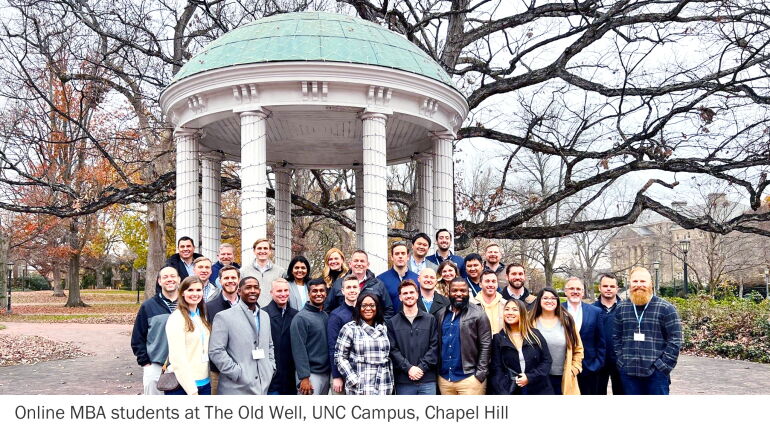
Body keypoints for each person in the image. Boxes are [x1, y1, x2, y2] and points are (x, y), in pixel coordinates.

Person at [614, 267, 682, 395]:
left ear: (651, 284)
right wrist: (621, 362)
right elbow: (616, 338)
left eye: (643, 281)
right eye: (635, 281)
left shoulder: (666, 308)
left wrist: (662, 366)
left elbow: (675, 340)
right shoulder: (621, 308)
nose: (638, 285)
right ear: (629, 284)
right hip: (629, 373)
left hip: (656, 375)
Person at [208, 274, 275, 395]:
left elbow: (269, 345)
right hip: (235, 388)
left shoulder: (265, 316)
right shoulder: (224, 317)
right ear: (239, 291)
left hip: (262, 386)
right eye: (248, 287)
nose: (253, 290)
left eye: (256, 287)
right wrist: (236, 372)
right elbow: (216, 351)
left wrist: (270, 367)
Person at [435, 278, 492, 395]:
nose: (459, 294)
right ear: (448, 292)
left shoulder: (478, 313)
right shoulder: (441, 314)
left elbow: (486, 344)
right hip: (445, 379)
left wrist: (480, 374)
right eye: (454, 290)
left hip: (470, 379)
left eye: (463, 290)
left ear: (468, 292)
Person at [131, 266, 180, 395]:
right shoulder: (149, 306)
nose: (170, 279)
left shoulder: (188, 304)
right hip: (155, 365)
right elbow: (138, 337)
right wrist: (146, 363)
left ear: (179, 279)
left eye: (173, 276)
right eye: (165, 277)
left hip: (183, 365)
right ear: (159, 281)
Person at [334, 291, 394, 395]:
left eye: (372, 305)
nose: (368, 308)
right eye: (364, 305)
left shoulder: (383, 327)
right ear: (358, 307)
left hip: (383, 382)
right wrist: (353, 379)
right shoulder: (349, 328)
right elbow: (339, 357)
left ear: (377, 307)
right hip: (360, 384)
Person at [489, 299, 553, 395]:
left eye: (515, 309)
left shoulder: (535, 335)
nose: (510, 313)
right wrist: (503, 391)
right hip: (512, 390)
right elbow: (496, 369)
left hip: (538, 388)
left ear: (522, 313)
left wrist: (529, 377)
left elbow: (547, 361)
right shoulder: (498, 338)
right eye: (507, 309)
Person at [386, 280, 439, 395]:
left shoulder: (430, 319)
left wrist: (421, 368)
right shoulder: (392, 323)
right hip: (404, 381)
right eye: (405, 293)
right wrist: (409, 368)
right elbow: (393, 350)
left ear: (417, 295)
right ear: (400, 297)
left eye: (411, 292)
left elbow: (434, 347)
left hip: (427, 380)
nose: (409, 295)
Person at [164, 276, 212, 395]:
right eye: (190, 290)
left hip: (205, 382)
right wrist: (192, 390)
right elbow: (177, 358)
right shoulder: (177, 318)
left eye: (198, 290)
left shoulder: (201, 317)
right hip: (184, 386)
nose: (195, 293)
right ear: (182, 293)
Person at [531, 287, 584, 395]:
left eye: (553, 298)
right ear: (539, 301)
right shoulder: (530, 321)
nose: (549, 301)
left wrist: (574, 369)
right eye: (545, 298)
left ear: (557, 301)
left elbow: (578, 348)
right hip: (537, 377)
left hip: (563, 378)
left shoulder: (567, 321)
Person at [562, 277, 605, 395]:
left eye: (578, 289)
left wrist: (597, 365)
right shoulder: (558, 310)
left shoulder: (595, 312)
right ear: (565, 291)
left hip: (589, 368)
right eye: (571, 288)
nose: (575, 291)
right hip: (564, 368)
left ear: (583, 292)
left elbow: (601, 341)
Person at [290, 278, 331, 395]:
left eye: (322, 290)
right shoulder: (300, 318)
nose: (318, 294)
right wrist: (304, 377)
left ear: (326, 293)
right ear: (308, 294)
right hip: (310, 377)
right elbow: (298, 349)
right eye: (314, 291)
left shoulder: (325, 316)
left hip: (325, 374)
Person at [325, 250, 394, 318]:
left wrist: (381, 326)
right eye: (356, 261)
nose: (359, 264)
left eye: (362, 261)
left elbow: (388, 310)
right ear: (350, 264)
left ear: (367, 265)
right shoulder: (339, 284)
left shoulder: (378, 284)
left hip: (371, 327)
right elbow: (327, 309)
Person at [204, 265, 240, 394]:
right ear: (220, 281)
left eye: (233, 277)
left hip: (244, 368)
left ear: (239, 280)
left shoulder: (249, 306)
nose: (230, 280)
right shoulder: (209, 307)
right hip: (217, 371)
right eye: (226, 278)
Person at [264, 278, 299, 395]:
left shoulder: (296, 315)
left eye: (286, 290)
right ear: (271, 293)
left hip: (291, 378)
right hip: (271, 378)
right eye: (279, 291)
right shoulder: (263, 314)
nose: (283, 294)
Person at [328, 275, 361, 394]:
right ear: (343, 291)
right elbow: (333, 347)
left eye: (354, 287)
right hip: (342, 374)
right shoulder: (336, 315)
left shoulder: (364, 312)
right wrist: (336, 376)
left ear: (359, 289)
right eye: (348, 287)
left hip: (360, 371)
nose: (352, 290)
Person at [593, 273, 624, 394]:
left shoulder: (627, 309)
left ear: (617, 288)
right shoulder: (591, 309)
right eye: (605, 286)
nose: (608, 288)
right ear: (599, 288)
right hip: (598, 362)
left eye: (612, 286)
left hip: (620, 362)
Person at [378, 242, 419, 313]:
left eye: (403, 253)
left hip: (413, 322)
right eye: (397, 254)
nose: (400, 256)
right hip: (390, 322)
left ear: (408, 257)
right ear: (392, 257)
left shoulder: (417, 279)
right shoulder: (381, 279)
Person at [241, 238, 282, 307]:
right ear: (254, 251)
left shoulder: (280, 271)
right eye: (259, 248)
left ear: (270, 251)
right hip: (250, 310)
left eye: (265, 248)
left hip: (272, 312)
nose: (262, 251)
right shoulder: (243, 271)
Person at [472, 270, 505, 334]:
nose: (490, 284)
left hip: (501, 343)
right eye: (487, 281)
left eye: (493, 281)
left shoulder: (505, 305)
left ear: (497, 284)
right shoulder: (472, 305)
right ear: (480, 284)